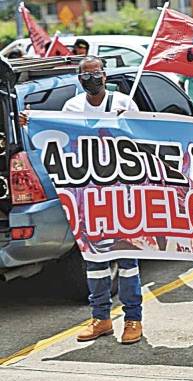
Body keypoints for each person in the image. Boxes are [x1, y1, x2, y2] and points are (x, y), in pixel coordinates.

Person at [20, 56, 144, 345]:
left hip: (122, 195)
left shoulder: (124, 103)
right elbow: (58, 140)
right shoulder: (72, 108)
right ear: (79, 79)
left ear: (105, 75)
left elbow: (142, 142)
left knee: (127, 263)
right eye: (85, 75)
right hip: (87, 197)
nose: (91, 79)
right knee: (95, 261)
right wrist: (33, 122)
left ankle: (133, 319)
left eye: (96, 73)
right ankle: (101, 319)